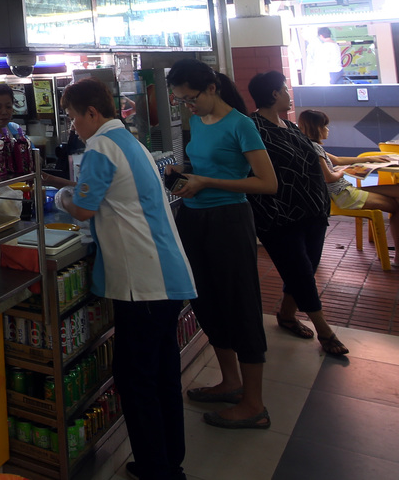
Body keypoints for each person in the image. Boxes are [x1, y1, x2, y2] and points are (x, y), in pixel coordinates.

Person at [54, 78, 195, 480]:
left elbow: (83, 208)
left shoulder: (101, 145)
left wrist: (59, 197)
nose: (73, 126)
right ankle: (168, 461)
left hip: (144, 283)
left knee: (136, 379)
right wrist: (68, 188)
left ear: (91, 113)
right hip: (164, 274)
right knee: (162, 374)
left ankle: (155, 469)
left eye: (73, 117)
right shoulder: (128, 141)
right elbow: (107, 195)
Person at [165, 58, 277, 430]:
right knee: (207, 303)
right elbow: (206, 167)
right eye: (181, 101)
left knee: (240, 305)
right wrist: (183, 173)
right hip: (194, 219)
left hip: (229, 221)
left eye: (191, 98)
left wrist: (208, 182)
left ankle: (255, 404)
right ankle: (230, 382)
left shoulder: (241, 125)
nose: (188, 106)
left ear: (212, 88)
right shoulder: (198, 121)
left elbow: (266, 183)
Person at [246, 73, 345, 357]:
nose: (289, 94)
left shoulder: (289, 126)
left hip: (313, 211)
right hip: (278, 216)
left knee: (306, 267)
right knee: (300, 271)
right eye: (285, 89)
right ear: (274, 94)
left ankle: (287, 315)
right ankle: (324, 330)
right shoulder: (253, 128)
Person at [299, 109, 399, 266]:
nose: (327, 130)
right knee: (396, 206)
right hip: (344, 195)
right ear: (317, 128)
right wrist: (343, 171)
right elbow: (329, 177)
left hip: (346, 190)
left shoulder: (310, 145)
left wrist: (370, 159)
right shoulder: (314, 148)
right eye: (325, 126)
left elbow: (338, 160)